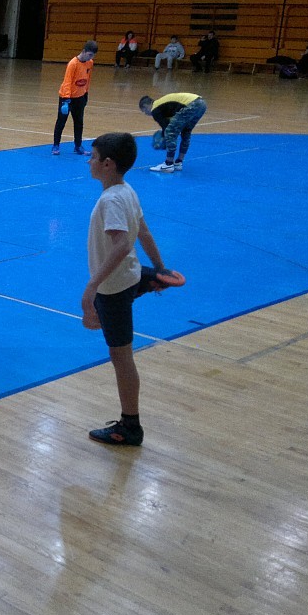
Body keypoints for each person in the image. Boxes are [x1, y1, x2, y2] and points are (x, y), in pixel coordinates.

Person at [80, 132, 171, 447]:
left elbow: (121, 244)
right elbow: (143, 231)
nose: (89, 162)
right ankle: (149, 279)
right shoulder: (127, 191)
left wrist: (92, 285)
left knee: (121, 355)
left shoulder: (111, 200)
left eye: (93, 157)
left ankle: (130, 426)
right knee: (106, 318)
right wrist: (160, 268)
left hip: (114, 287)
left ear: (107, 164)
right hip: (130, 276)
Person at [139, 93, 207, 173]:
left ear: (147, 105)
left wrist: (163, 141)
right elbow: (171, 123)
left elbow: (166, 128)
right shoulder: (163, 106)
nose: (146, 114)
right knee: (186, 131)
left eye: (144, 110)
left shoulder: (155, 109)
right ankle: (178, 162)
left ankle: (168, 164)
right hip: (201, 104)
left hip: (192, 104)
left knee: (170, 131)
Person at [52, 40, 97, 156]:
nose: (91, 57)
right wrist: (66, 100)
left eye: (92, 56)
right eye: (89, 55)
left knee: (79, 122)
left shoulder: (90, 63)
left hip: (80, 97)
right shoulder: (73, 64)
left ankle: (78, 146)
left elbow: (88, 79)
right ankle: (56, 145)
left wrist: (86, 93)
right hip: (67, 97)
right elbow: (67, 81)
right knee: (61, 122)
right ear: (84, 51)